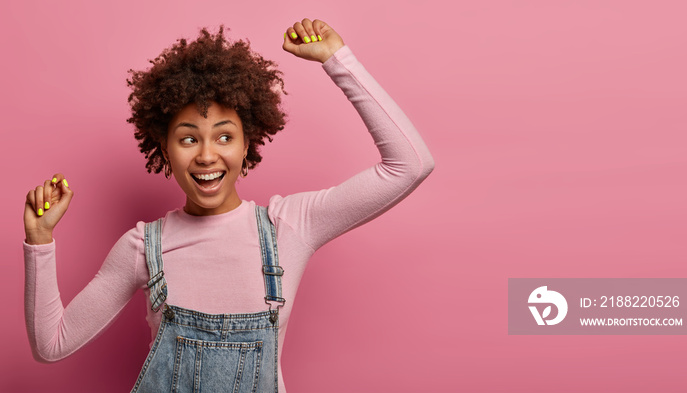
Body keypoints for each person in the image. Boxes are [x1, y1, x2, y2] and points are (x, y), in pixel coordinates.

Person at [23, 18, 434, 392]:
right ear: (164, 149)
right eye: (188, 138)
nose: (206, 156)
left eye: (224, 136)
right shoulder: (142, 247)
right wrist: (39, 241)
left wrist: (337, 60)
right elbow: (51, 344)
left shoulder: (288, 226)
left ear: (247, 143)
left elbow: (410, 164)